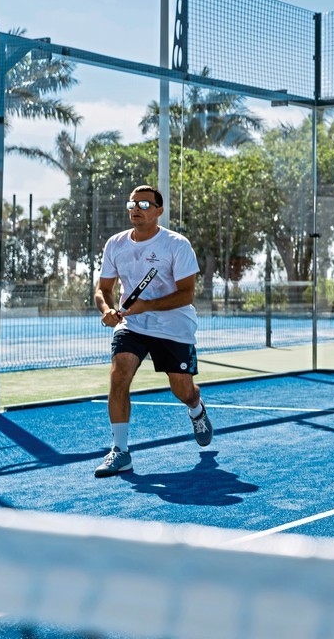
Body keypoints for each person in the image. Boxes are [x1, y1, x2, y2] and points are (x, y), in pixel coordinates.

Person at [92, 185, 212, 477]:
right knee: (119, 374)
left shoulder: (177, 245)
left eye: (145, 205)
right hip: (132, 325)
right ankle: (121, 452)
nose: (136, 209)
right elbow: (103, 289)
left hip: (174, 326)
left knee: (181, 389)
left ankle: (196, 408)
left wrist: (149, 305)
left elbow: (186, 295)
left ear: (159, 211)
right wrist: (107, 310)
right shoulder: (115, 244)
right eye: (132, 204)